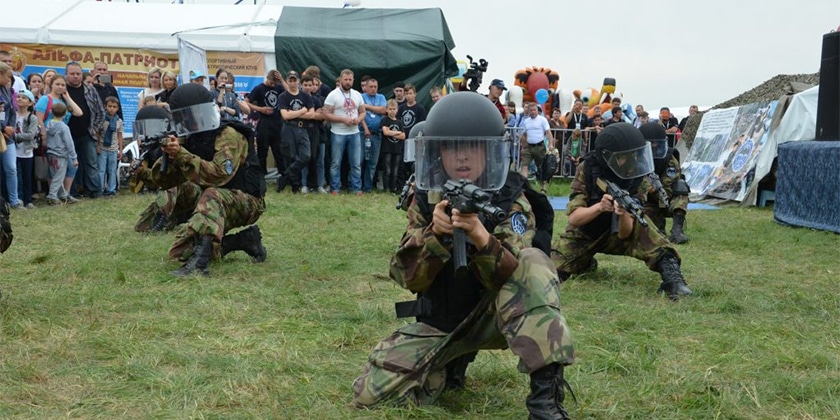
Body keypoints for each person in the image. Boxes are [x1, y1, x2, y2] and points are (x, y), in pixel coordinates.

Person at [352, 92, 574, 418]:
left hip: (498, 318)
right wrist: (435, 236)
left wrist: (481, 237)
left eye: (472, 146)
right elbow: (405, 276)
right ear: (439, 152)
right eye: (452, 147)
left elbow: (515, 273)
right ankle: (451, 364)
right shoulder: (426, 198)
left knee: (535, 261)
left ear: (488, 150)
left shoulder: (511, 197)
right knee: (369, 395)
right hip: (442, 322)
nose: (462, 157)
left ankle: (545, 399)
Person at [550, 123, 692, 300]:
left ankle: (673, 279)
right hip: (587, 232)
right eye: (625, 157)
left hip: (620, 234)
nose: (632, 162)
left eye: (635, 155)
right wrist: (599, 207)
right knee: (552, 267)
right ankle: (584, 262)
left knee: (646, 227)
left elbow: (625, 234)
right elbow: (574, 218)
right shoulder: (587, 169)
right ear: (607, 157)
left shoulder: (639, 176)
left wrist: (623, 212)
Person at [147, 83, 267, 276]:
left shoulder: (228, 134)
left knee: (212, 195)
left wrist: (183, 155)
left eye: (187, 115)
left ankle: (199, 266)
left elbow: (219, 175)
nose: (185, 121)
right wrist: (170, 157)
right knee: (180, 252)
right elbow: (164, 182)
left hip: (247, 201)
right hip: (215, 202)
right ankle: (242, 241)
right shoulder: (192, 138)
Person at [640, 122, 690, 244]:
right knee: (654, 234)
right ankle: (657, 226)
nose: (654, 146)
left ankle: (677, 230)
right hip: (644, 202)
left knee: (681, 186)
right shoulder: (636, 158)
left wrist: (655, 191)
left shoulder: (669, 159)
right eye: (650, 143)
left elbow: (668, 189)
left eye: (657, 143)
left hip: (665, 199)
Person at [65, 61, 106, 199]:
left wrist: (94, 129)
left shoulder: (90, 89)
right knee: (71, 165)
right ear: (66, 74)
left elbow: (101, 112)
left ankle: (95, 191)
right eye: (72, 73)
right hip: (67, 135)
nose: (75, 76)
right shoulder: (62, 90)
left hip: (87, 133)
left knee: (91, 164)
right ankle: (72, 192)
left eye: (78, 73)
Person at [323, 68, 367, 195]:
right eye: (346, 79)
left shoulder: (357, 94)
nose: (348, 82)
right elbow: (326, 114)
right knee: (336, 162)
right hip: (338, 133)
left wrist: (358, 119)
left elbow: (363, 112)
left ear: (353, 80)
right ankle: (335, 188)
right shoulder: (333, 95)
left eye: (350, 79)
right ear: (341, 79)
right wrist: (343, 119)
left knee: (356, 163)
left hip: (354, 132)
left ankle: (356, 188)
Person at [275, 70, 313, 193]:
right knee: (290, 156)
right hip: (289, 128)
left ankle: (285, 177)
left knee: (306, 156)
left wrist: (293, 113)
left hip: (303, 128)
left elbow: (312, 114)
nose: (292, 83)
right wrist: (302, 111)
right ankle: (295, 186)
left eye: (294, 80)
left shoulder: (305, 96)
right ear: (287, 81)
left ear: (298, 82)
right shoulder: (283, 96)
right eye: (290, 81)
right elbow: (285, 115)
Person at [246, 70, 285, 176]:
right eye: (271, 82)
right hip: (264, 122)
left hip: (277, 122)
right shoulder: (259, 88)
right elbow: (246, 102)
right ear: (267, 78)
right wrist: (260, 109)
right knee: (262, 150)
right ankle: (261, 174)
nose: (273, 85)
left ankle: (283, 174)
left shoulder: (279, 87)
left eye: (275, 83)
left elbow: (289, 92)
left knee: (279, 151)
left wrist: (282, 80)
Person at [44, 102, 78, 206]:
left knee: (54, 174)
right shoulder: (64, 127)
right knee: (59, 177)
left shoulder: (49, 124)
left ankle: (64, 195)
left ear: (51, 112)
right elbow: (69, 142)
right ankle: (52, 196)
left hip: (50, 153)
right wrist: (74, 157)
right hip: (61, 155)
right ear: (65, 114)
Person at [0, 62, 22, 208]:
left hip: (8, 137)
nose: (10, 80)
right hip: (2, 132)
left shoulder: (6, 90)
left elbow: (12, 111)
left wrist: (10, 128)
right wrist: (3, 128)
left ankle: (14, 200)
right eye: (8, 76)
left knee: (11, 168)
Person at [519, 103, 554, 193]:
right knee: (524, 166)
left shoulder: (542, 120)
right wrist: (523, 147)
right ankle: (523, 187)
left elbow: (548, 133)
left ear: (537, 110)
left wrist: (550, 144)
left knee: (542, 167)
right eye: (531, 110)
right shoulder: (526, 121)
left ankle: (543, 188)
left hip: (539, 146)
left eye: (534, 110)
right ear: (528, 111)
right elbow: (524, 135)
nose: (533, 112)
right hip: (528, 147)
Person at [361, 77, 387, 193]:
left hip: (377, 134)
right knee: (359, 161)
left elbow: (383, 110)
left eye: (375, 87)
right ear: (365, 87)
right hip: (362, 133)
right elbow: (359, 112)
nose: (373, 89)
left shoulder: (381, 97)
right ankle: (356, 186)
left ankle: (367, 187)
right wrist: (365, 128)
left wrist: (367, 106)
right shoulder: (361, 97)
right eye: (371, 87)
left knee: (372, 163)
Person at [15, 89, 40, 209]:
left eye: (24, 97)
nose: (20, 99)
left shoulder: (32, 118)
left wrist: (14, 136)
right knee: (16, 175)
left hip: (26, 151)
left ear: (30, 103)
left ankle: (27, 199)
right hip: (14, 150)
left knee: (27, 176)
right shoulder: (13, 114)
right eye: (18, 97)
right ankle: (18, 198)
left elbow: (30, 134)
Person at [97, 96, 123, 197]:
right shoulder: (102, 119)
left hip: (113, 149)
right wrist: (98, 145)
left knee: (112, 170)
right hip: (103, 148)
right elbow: (98, 133)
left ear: (117, 108)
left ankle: (111, 189)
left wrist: (120, 150)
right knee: (101, 170)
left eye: (114, 107)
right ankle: (100, 188)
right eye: (110, 106)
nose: (112, 109)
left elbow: (120, 135)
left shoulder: (119, 121)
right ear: (105, 106)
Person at [379, 99, 405, 193]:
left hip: (397, 149)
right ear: (387, 109)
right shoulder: (384, 120)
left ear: (397, 110)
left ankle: (393, 189)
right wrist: (397, 132)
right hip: (387, 149)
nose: (392, 111)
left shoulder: (399, 122)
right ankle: (386, 189)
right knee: (387, 170)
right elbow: (385, 132)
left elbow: (403, 136)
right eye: (390, 109)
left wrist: (392, 133)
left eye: (394, 109)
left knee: (395, 171)